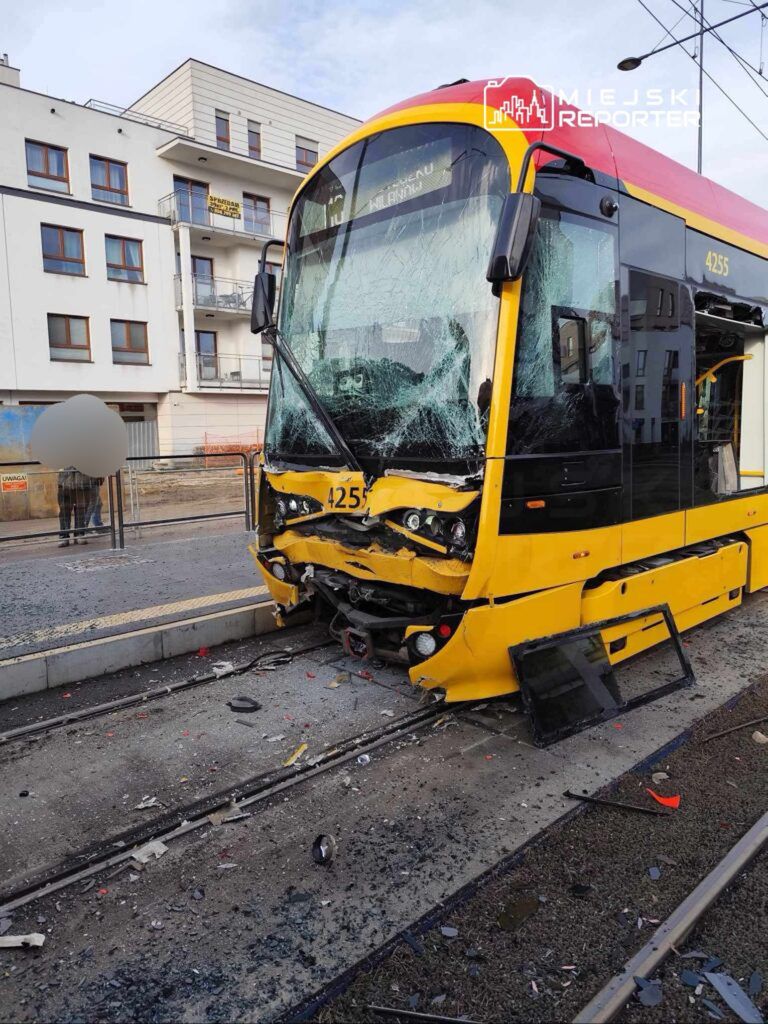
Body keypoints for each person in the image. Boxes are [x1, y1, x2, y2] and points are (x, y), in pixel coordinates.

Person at [57, 467, 92, 547]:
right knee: (64, 511)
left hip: (82, 482)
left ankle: (79, 534)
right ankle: (64, 536)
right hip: (64, 482)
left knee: (81, 510)